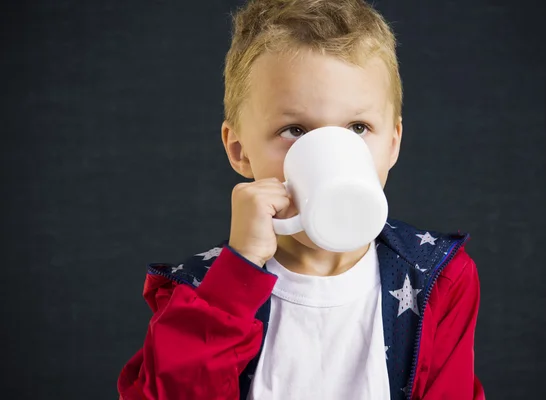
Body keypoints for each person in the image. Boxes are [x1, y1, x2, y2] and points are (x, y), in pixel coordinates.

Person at [117, 0, 485, 399]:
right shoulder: (198, 294)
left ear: (393, 143)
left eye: (358, 127)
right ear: (240, 150)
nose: (329, 152)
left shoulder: (437, 279)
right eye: (294, 130)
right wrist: (236, 275)